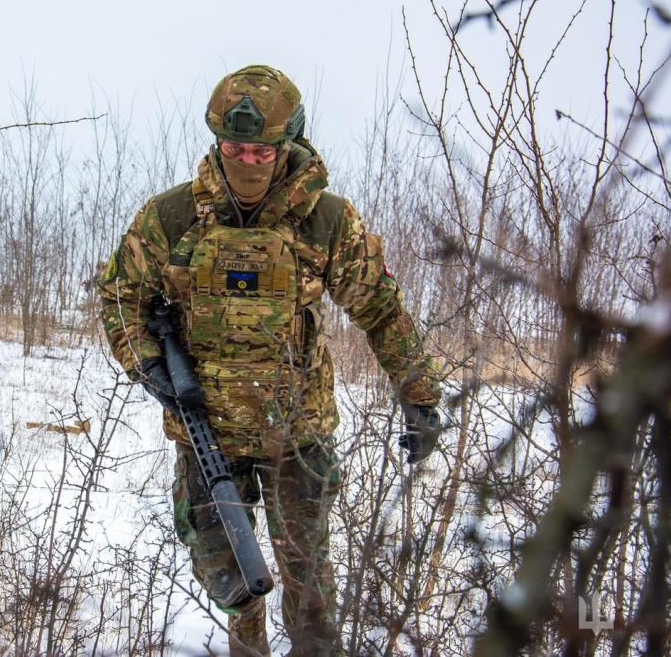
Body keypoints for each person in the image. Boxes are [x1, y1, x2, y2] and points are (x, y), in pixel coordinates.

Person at [99, 65, 443, 656]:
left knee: (309, 585)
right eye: (235, 147)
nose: (248, 159)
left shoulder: (327, 220)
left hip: (297, 434)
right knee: (230, 577)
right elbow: (121, 297)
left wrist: (420, 395)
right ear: (216, 142)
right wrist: (150, 367)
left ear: (287, 144)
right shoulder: (172, 217)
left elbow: (381, 310)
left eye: (261, 149)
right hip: (206, 430)